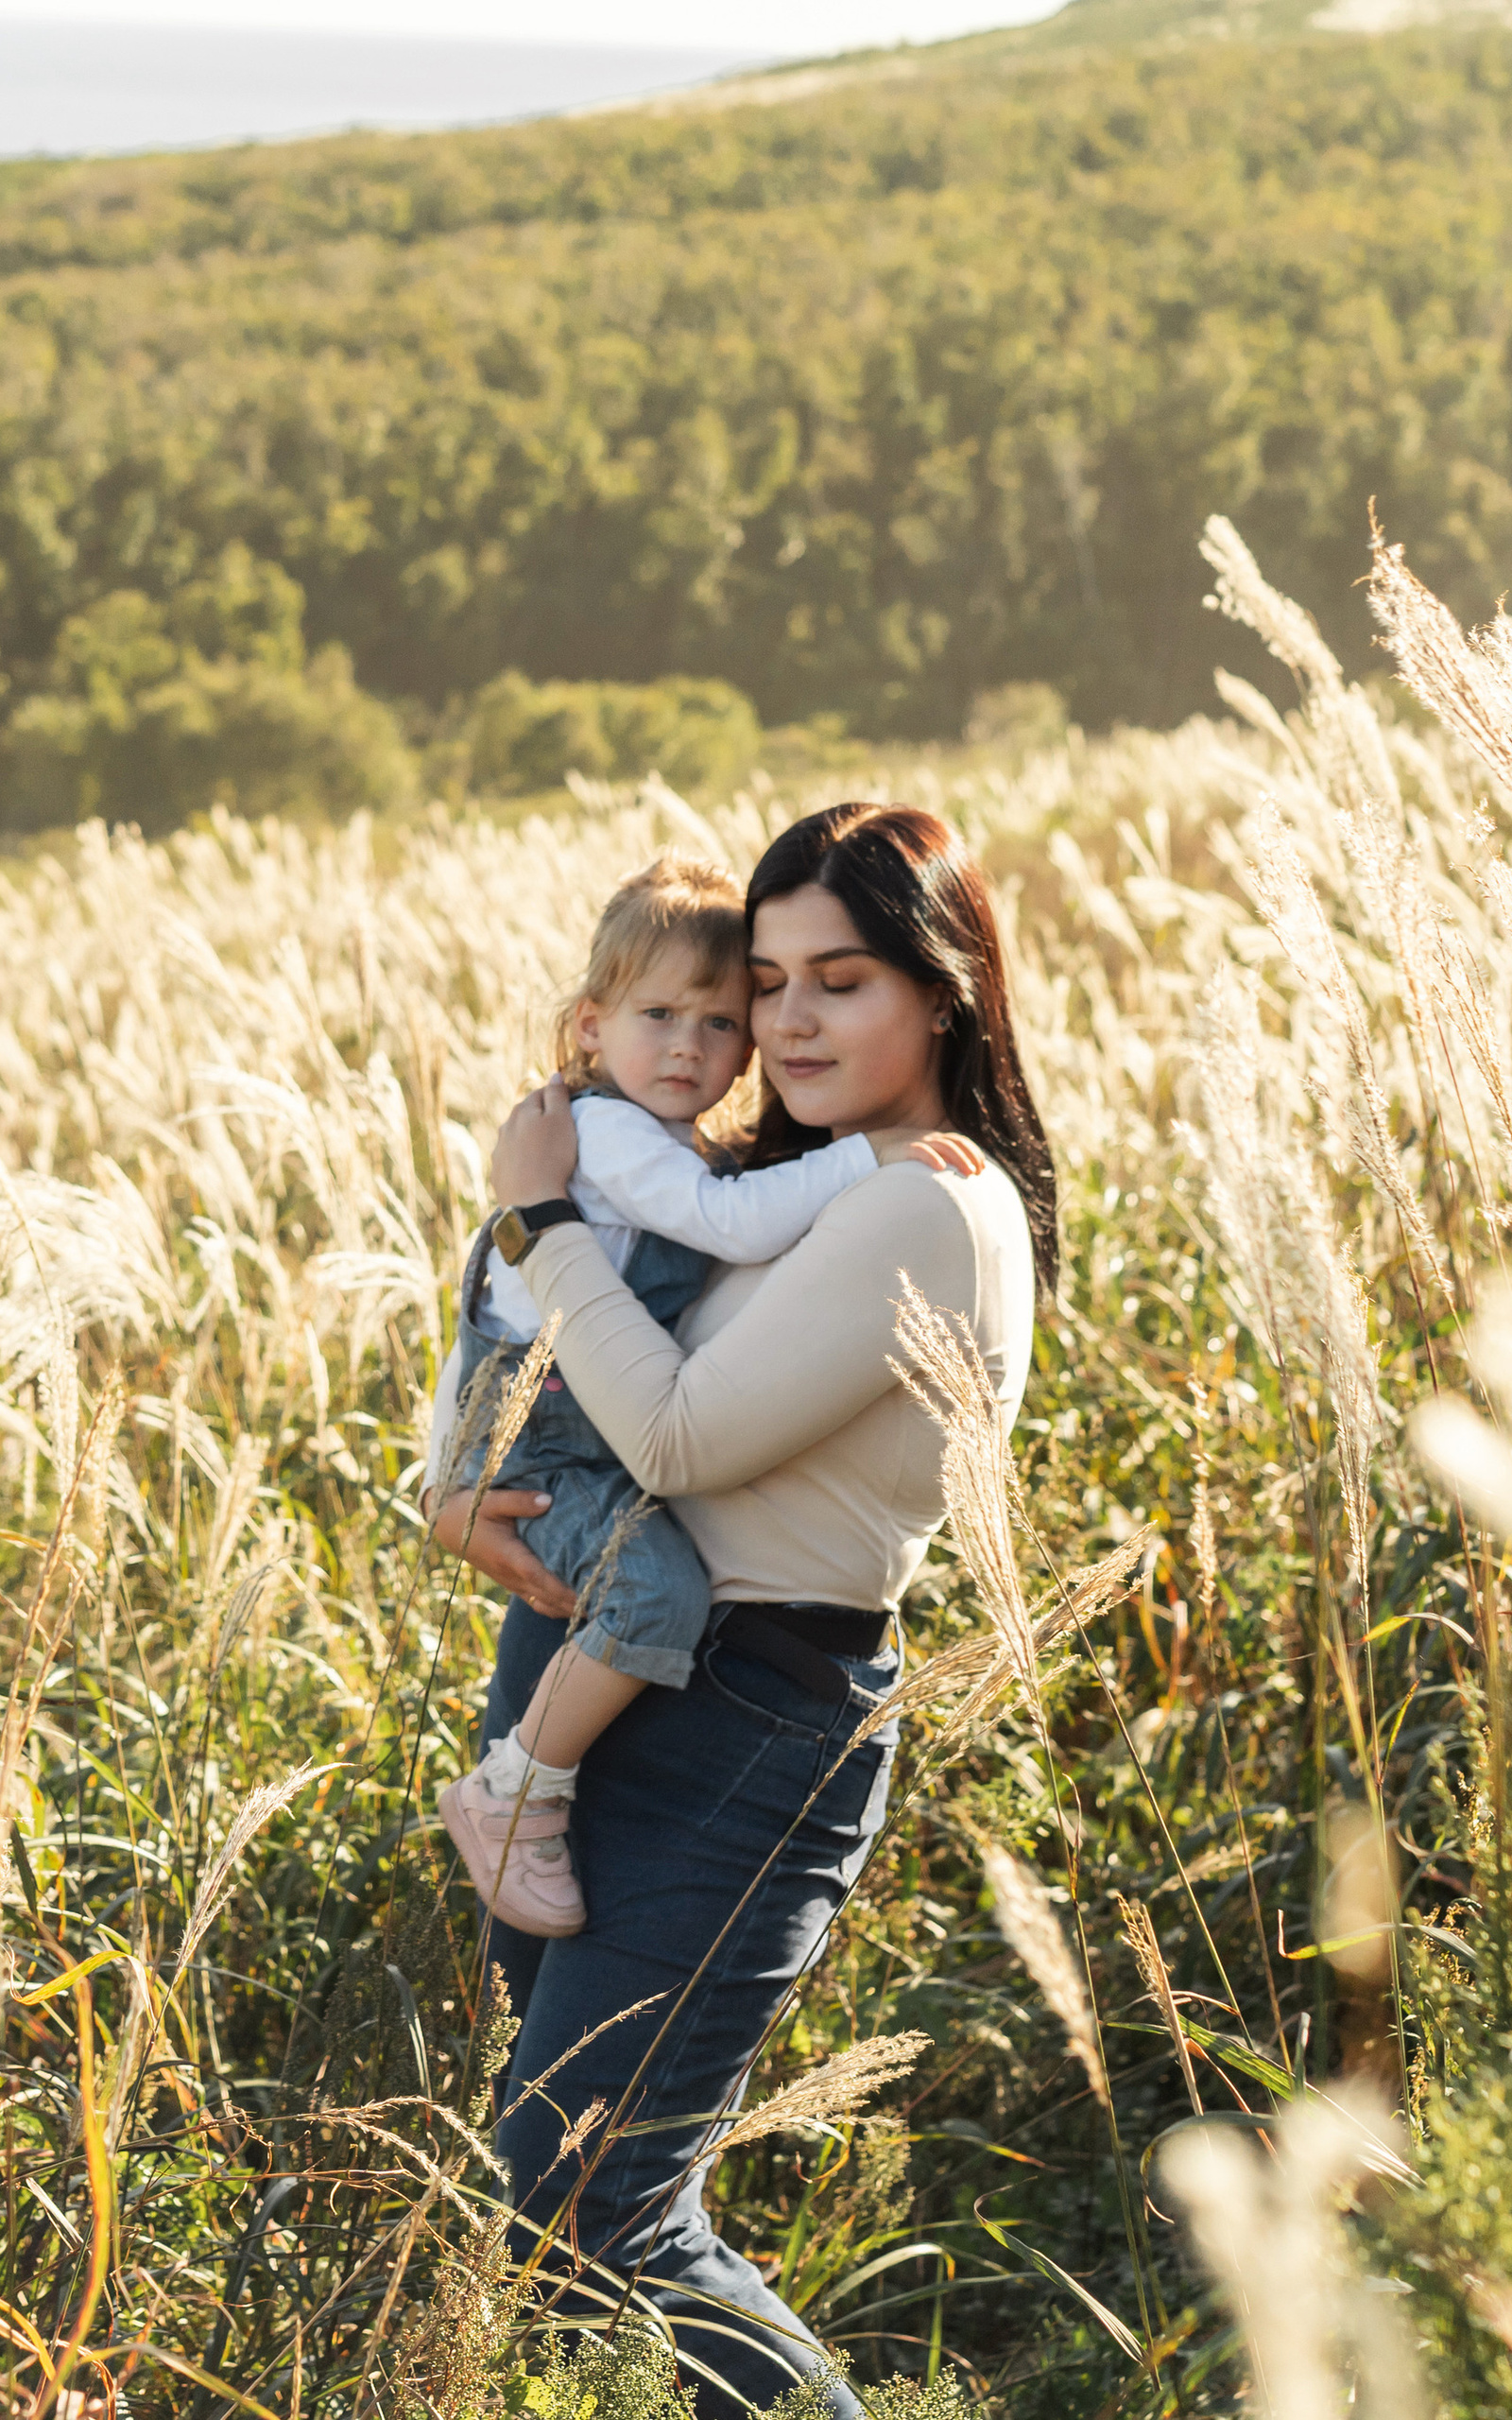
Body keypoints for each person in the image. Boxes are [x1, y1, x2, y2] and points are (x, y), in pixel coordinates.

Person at [429, 802, 1054, 2417]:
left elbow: (680, 1435)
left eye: (836, 980)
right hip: (603, 1677)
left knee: (600, 2208)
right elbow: (584, 1384)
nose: (781, 1022)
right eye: (765, 983)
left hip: (748, 1712)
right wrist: (458, 1482)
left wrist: (542, 1215)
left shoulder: (926, 1203)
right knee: (563, 2198)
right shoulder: (786, 1176)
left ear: (948, 987)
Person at [431, 852, 971, 1936]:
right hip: (555, 1448)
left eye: (724, 1021)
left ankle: (524, 1781)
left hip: (573, 1457)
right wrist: (873, 1155)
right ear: (590, 1024)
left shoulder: (660, 1146)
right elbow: (717, 1231)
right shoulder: (612, 1137)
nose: (689, 1045)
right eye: (659, 1014)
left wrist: (441, 1477)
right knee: (654, 1596)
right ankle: (512, 1791)